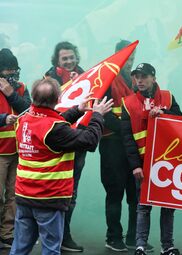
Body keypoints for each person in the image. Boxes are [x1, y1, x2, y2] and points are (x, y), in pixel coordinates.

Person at [10, 77, 113, 255]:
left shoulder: (23, 119)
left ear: (33, 97)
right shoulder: (55, 129)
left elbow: (51, 126)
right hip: (48, 197)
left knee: (20, 248)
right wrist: (97, 116)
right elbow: (89, 141)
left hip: (24, 196)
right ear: (58, 99)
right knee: (51, 249)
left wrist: (77, 110)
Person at [121, 63, 182, 255]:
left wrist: (164, 114)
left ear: (154, 78)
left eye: (144, 76)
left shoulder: (167, 97)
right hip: (144, 164)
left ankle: (167, 246)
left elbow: (181, 121)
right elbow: (128, 138)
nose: (139, 80)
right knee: (143, 206)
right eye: (136, 76)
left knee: (168, 206)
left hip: (167, 162)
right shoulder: (128, 103)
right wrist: (135, 166)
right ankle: (140, 246)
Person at [99, 40, 145, 252]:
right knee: (115, 192)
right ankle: (113, 236)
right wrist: (128, 129)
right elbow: (103, 115)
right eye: (128, 58)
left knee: (134, 194)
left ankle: (134, 238)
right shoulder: (107, 79)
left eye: (133, 58)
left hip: (131, 145)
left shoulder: (137, 81)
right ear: (118, 56)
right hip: (112, 144)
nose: (130, 63)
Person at [45, 41, 86, 252]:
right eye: (65, 59)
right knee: (53, 191)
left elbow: (95, 101)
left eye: (71, 57)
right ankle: (49, 234)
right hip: (55, 144)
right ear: (57, 61)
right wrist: (67, 87)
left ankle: (64, 235)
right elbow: (44, 107)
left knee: (72, 192)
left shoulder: (87, 77)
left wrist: (80, 84)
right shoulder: (48, 79)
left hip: (77, 142)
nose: (69, 61)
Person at [0, 48, 31, 248]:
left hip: (18, 151)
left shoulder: (21, 88)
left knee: (13, 195)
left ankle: (7, 233)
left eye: (14, 69)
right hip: (0, 152)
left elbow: (29, 110)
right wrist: (3, 119)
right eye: (7, 69)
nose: (12, 73)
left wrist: (11, 94)